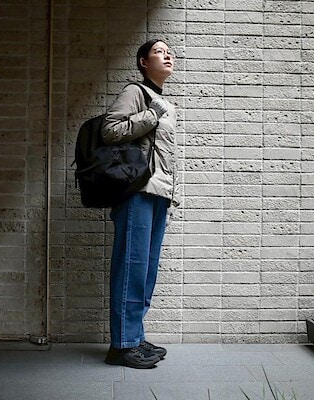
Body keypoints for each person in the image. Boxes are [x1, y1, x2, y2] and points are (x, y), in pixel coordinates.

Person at [101, 39, 180, 369]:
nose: (167, 55)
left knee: (146, 270)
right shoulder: (136, 92)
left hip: (159, 193)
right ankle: (121, 346)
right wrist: (150, 115)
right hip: (136, 191)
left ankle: (134, 336)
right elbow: (109, 130)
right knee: (131, 267)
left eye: (169, 51)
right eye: (159, 51)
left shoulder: (165, 103)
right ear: (143, 62)